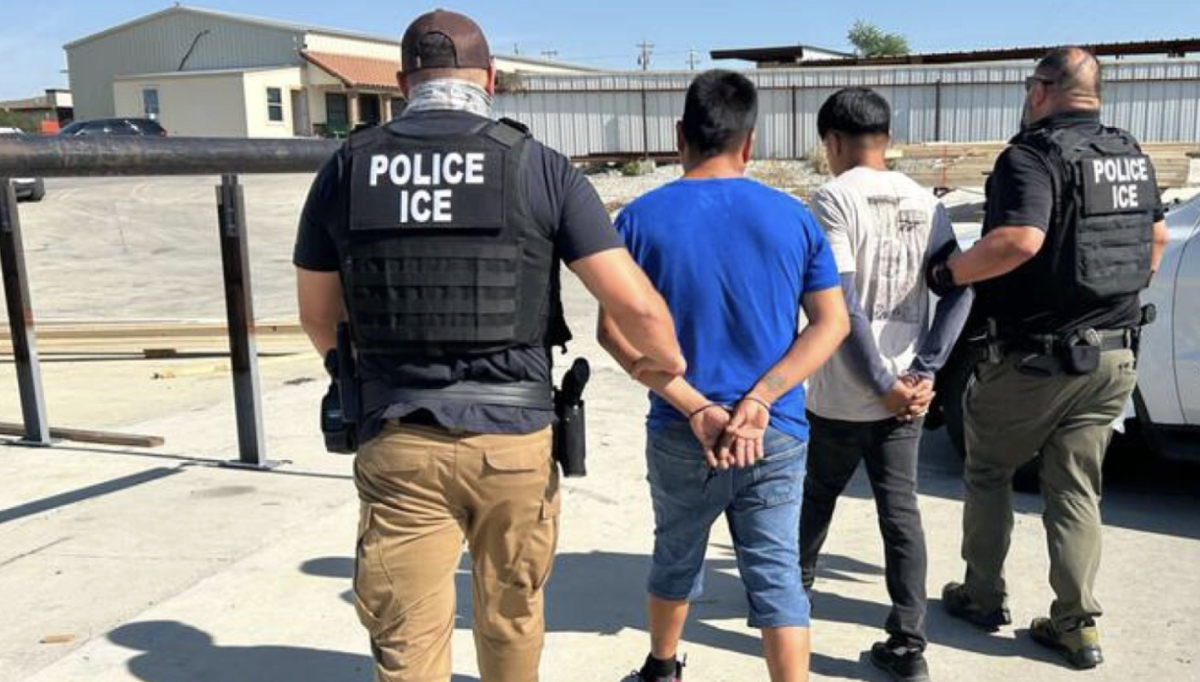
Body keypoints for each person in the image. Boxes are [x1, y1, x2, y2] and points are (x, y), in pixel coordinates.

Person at [294, 10, 686, 682]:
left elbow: (317, 316)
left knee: (407, 638)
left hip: (399, 435)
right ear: (491, 79)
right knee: (511, 617)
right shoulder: (538, 166)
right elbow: (636, 305)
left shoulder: (348, 167)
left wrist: (366, 377)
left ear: (402, 83)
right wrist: (670, 364)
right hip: (514, 441)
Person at [598, 70, 850, 682]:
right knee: (777, 571)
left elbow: (612, 332)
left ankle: (662, 669)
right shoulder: (792, 217)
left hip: (682, 428)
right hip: (774, 430)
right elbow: (831, 324)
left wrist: (694, 405)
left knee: (675, 552)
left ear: (679, 135)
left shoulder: (638, 220)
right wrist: (760, 400)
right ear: (750, 141)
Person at [929, 47, 1169, 670]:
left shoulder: (1032, 155)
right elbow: (1157, 238)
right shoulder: (1128, 153)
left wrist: (949, 273)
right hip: (1114, 357)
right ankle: (1077, 626)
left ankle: (982, 595)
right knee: (1077, 489)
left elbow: (1018, 239)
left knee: (988, 468)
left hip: (1037, 359)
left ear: (1040, 89)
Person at [799, 87, 974, 682]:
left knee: (818, 494)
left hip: (845, 391)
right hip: (908, 394)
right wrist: (923, 370)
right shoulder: (926, 201)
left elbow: (841, 304)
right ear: (888, 139)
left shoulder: (832, 199)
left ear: (832, 142)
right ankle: (908, 645)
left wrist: (881, 382)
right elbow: (961, 287)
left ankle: (791, 599)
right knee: (900, 513)